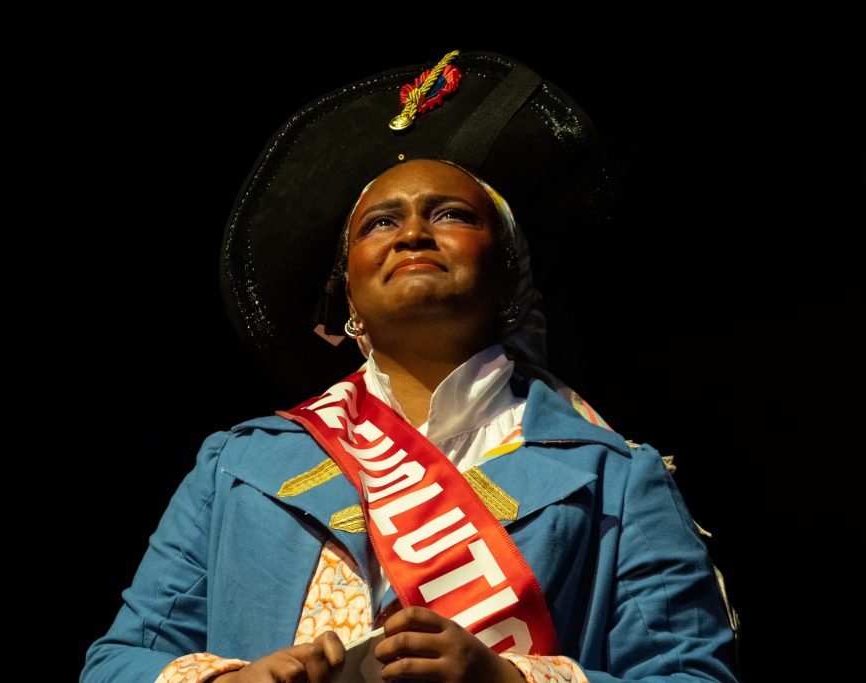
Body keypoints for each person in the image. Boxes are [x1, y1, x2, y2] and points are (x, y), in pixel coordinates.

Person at [81, 50, 739, 683]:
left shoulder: (617, 476)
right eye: (379, 223)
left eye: (451, 214)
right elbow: (115, 664)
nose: (412, 233)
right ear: (347, 295)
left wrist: (508, 679)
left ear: (511, 275)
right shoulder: (237, 465)